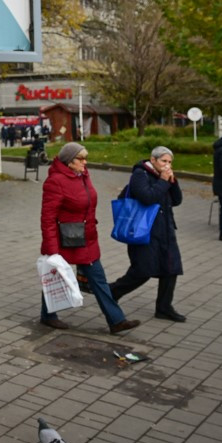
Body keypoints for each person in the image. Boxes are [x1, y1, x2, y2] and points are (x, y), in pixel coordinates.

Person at [39, 142, 140, 334]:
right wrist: (52, 250)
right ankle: (48, 315)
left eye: (86, 158)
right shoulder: (55, 182)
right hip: (65, 240)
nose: (85, 162)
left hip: (87, 238)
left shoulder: (83, 176)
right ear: (69, 161)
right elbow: (48, 218)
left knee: (99, 279)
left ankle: (116, 320)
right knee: (57, 277)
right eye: (81, 158)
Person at [110, 147, 187, 322]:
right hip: (143, 231)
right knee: (143, 270)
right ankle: (111, 292)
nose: (167, 165)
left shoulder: (165, 177)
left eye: (169, 162)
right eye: (163, 161)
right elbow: (147, 197)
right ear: (153, 160)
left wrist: (172, 182)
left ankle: (164, 307)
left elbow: (177, 200)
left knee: (171, 268)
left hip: (165, 230)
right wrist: (163, 181)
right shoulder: (140, 174)